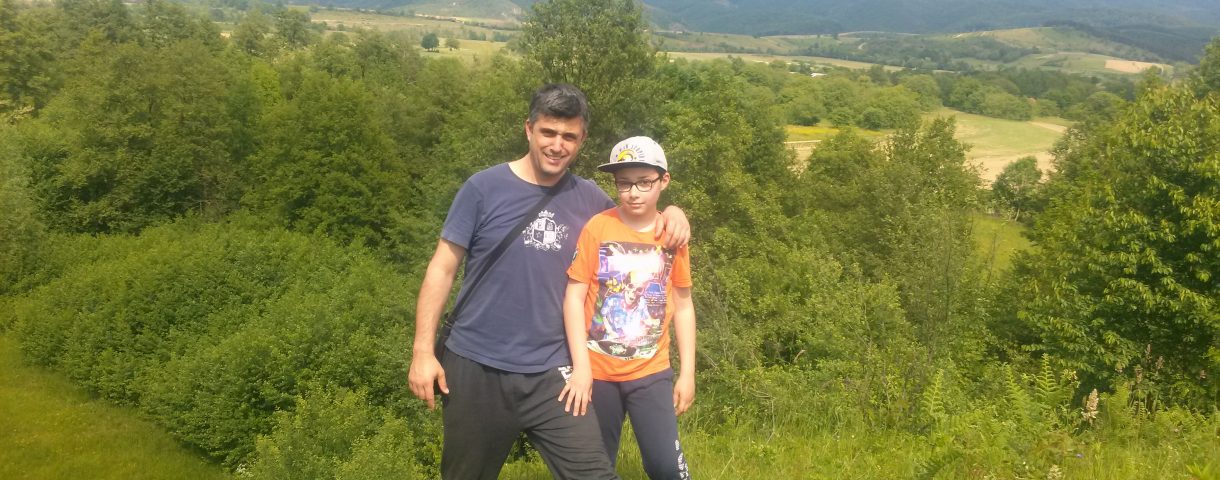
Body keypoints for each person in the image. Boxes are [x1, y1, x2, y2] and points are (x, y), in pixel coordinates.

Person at [407, 84, 690, 480]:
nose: (557, 145)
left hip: (555, 373)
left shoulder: (588, 199)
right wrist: (422, 351)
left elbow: (636, 219)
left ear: (582, 140)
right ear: (528, 129)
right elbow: (441, 269)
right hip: (477, 365)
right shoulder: (483, 189)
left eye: (569, 136)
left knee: (595, 475)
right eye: (548, 132)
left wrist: (674, 213)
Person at [560, 136, 696, 480]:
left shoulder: (672, 237)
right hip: (596, 374)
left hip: (651, 372)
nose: (634, 192)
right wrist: (580, 368)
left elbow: (683, 307)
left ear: (663, 180)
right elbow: (574, 297)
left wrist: (688, 373)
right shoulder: (598, 227)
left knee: (667, 468)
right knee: (595, 468)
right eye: (624, 183)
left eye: (644, 182)